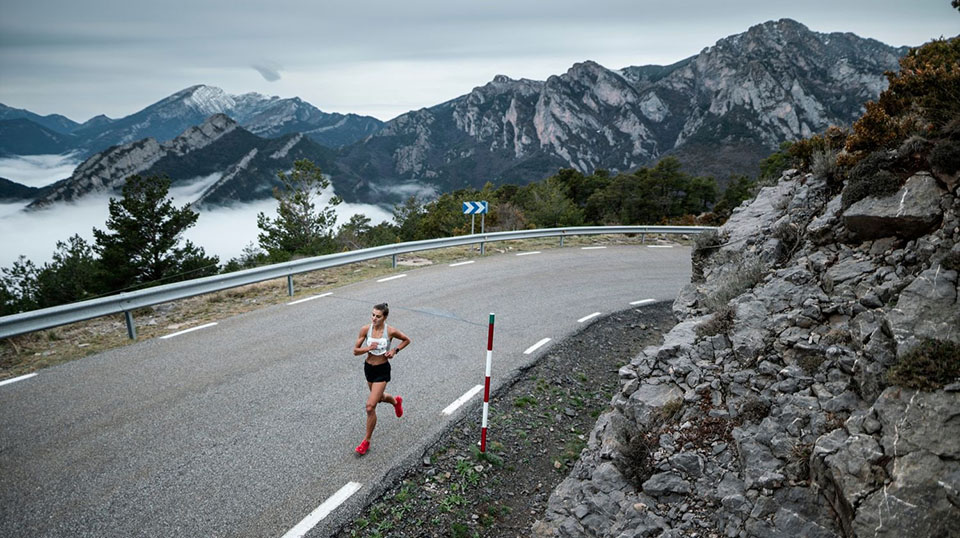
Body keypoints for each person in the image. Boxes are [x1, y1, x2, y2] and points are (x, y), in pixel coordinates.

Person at [352, 302, 411, 455]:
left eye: (378, 316)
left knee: (370, 406)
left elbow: (406, 340)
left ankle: (366, 441)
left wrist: (394, 350)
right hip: (369, 368)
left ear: (384, 317)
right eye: (372, 315)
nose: (374, 319)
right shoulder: (365, 329)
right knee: (378, 398)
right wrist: (368, 348)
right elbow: (355, 351)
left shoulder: (390, 331)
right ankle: (396, 401)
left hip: (382, 370)